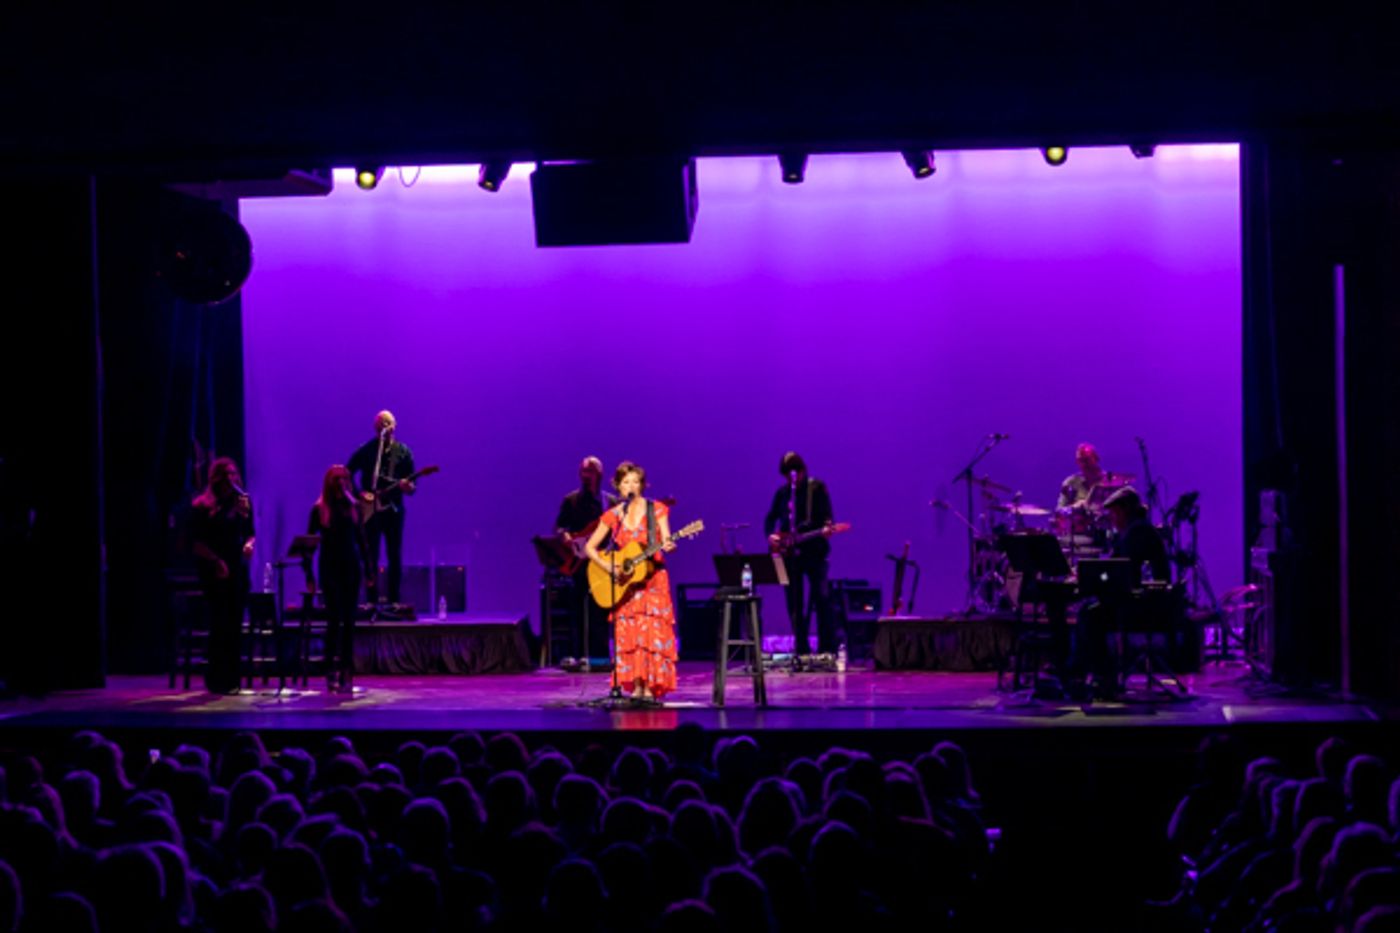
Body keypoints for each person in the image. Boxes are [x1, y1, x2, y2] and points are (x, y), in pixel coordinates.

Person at [583, 461, 678, 701]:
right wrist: (608, 566)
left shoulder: (656, 509)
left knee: (651, 635)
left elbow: (667, 539)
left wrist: (669, 544)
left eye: (635, 481)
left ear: (643, 485)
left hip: (653, 580)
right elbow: (590, 548)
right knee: (631, 634)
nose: (631, 486)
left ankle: (651, 686)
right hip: (626, 585)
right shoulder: (614, 515)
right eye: (626, 482)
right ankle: (636, 686)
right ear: (617, 486)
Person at [189, 457, 255, 694]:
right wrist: (216, 561)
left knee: (235, 623)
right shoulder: (202, 506)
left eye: (234, 473)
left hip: (236, 568)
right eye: (225, 474)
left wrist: (249, 544)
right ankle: (216, 679)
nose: (231, 478)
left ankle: (233, 679)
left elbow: (250, 533)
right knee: (220, 624)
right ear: (216, 478)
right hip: (213, 568)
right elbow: (195, 543)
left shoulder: (242, 503)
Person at [763, 452, 838, 658]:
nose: (791, 477)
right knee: (794, 602)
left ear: (802, 470)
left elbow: (828, 519)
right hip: (790, 554)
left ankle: (827, 649)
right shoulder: (783, 493)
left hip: (815, 552)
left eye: (794, 472)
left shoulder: (817, 488)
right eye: (787, 474)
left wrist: (826, 529)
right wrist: (771, 536)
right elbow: (769, 519)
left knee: (822, 598)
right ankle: (802, 649)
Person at [307, 465, 369, 693]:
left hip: (351, 568)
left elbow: (362, 541)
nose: (341, 482)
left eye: (344, 478)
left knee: (349, 622)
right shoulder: (319, 509)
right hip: (330, 568)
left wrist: (369, 570)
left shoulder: (354, 506)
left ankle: (347, 670)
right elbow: (309, 544)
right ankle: (330, 670)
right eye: (336, 479)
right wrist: (309, 575)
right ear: (329, 482)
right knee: (334, 620)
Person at [347, 411, 416, 605]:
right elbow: (347, 472)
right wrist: (359, 493)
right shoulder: (368, 450)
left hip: (393, 508)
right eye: (379, 424)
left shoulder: (403, 452)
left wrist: (407, 487)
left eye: (386, 423)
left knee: (394, 554)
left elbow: (412, 486)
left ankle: (394, 600)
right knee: (371, 556)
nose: (383, 427)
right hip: (371, 509)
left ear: (394, 426)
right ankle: (372, 601)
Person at [554, 456, 609, 665]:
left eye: (591, 471)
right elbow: (560, 526)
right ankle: (577, 656)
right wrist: (566, 537)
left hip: (601, 562)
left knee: (600, 610)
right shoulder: (571, 500)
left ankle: (600, 657)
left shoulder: (609, 502)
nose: (586, 476)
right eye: (584, 472)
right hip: (578, 561)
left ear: (599, 475)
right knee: (577, 610)